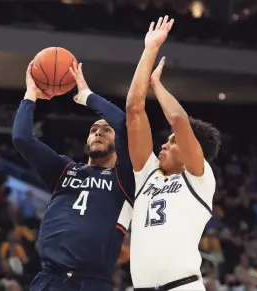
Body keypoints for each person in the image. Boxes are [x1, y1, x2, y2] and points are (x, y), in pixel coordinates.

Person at [12, 61, 135, 291]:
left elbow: (126, 124)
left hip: (92, 282)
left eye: (106, 130)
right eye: (93, 130)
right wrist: (31, 95)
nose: (98, 131)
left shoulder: (126, 178)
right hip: (49, 278)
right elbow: (22, 139)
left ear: (117, 141)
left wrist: (88, 96)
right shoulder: (64, 169)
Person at [125, 16, 221, 290]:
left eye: (173, 142)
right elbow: (134, 109)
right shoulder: (147, 175)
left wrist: (157, 85)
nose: (164, 145)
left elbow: (179, 120)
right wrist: (149, 49)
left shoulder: (200, 180)